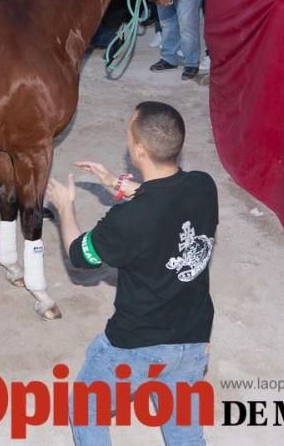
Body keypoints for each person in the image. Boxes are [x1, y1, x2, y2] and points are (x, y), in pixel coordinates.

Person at [44, 101, 217, 446]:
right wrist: (118, 184)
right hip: (193, 337)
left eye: (128, 135)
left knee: (85, 409)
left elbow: (81, 254)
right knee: (184, 429)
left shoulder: (127, 221)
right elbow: (164, 200)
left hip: (135, 342)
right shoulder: (203, 185)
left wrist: (65, 208)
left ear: (139, 150)